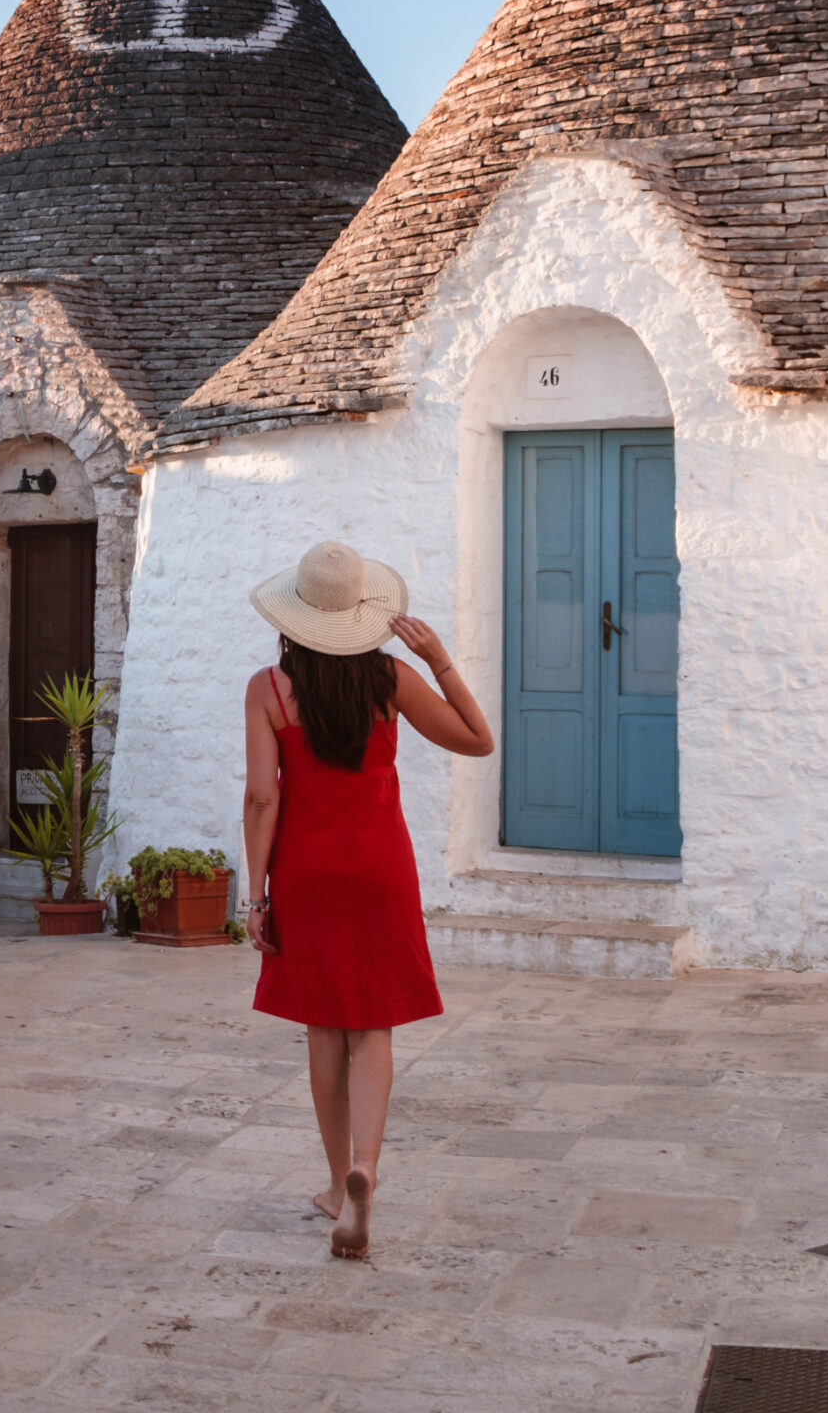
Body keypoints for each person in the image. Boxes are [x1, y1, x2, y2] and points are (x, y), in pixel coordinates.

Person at [241, 538, 495, 1260]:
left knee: (324, 1027)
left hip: (306, 873)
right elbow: (479, 741)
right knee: (373, 1025)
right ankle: (367, 1170)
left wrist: (255, 895)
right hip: (382, 869)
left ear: (294, 619)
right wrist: (439, 659)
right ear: (360, 613)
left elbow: (263, 797)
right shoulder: (390, 678)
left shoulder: (268, 689)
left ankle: (331, 1183)